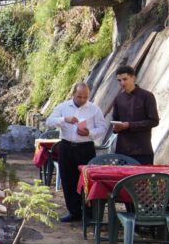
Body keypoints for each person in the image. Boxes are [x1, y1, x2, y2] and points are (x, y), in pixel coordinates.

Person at [46, 81, 107, 222]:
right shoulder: (63, 107)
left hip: (85, 147)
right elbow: (49, 121)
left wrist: (89, 133)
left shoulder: (94, 109)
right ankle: (73, 211)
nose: (82, 100)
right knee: (68, 180)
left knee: (88, 180)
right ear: (73, 94)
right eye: (79, 96)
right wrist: (64, 119)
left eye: (85, 97)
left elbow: (102, 128)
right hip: (66, 146)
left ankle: (90, 213)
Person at [112, 65, 159, 165]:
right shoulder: (118, 99)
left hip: (142, 150)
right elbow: (115, 120)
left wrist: (129, 125)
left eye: (125, 79)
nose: (122, 83)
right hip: (122, 151)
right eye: (119, 80)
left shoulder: (147, 96)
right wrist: (116, 128)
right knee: (123, 180)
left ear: (133, 77)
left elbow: (154, 121)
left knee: (143, 180)